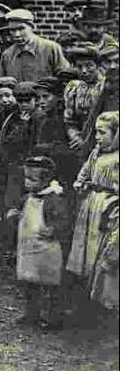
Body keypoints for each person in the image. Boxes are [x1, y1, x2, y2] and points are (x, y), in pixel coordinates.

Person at [5, 155, 71, 329]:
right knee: (30, 284)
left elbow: (64, 221)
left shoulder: (53, 200)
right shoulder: (28, 198)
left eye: (32, 179)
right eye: (26, 178)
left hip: (46, 250)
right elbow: (21, 211)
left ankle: (53, 318)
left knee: (50, 287)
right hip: (29, 248)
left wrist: (53, 229)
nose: (27, 183)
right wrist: (15, 214)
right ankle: (31, 314)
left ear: (46, 180)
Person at [66, 111, 119, 311]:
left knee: (101, 250)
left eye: (102, 133)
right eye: (96, 132)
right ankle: (82, 297)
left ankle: (101, 302)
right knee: (85, 249)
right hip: (90, 204)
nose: (97, 137)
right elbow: (86, 171)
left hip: (108, 207)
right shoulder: (97, 152)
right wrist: (81, 182)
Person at [0, 82, 42, 221]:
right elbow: (8, 141)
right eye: (20, 101)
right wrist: (21, 125)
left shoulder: (39, 117)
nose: (23, 105)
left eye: (27, 101)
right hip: (16, 166)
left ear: (36, 100)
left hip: (33, 166)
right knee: (14, 203)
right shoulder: (14, 117)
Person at [0, 9, 69, 82]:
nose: (17, 34)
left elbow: (65, 80)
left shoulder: (51, 49)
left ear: (31, 27)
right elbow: (1, 85)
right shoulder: (7, 55)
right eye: (12, 30)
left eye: (21, 29)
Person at [63, 46, 104, 160]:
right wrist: (76, 137)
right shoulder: (74, 88)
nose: (84, 71)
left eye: (89, 65)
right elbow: (69, 121)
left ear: (98, 66)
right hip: (81, 145)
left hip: (104, 144)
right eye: (79, 67)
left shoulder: (106, 88)